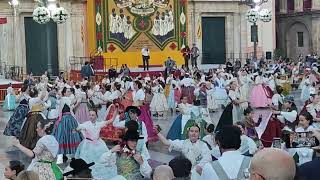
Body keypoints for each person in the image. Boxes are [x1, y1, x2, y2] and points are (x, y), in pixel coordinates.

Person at [75, 109, 116, 179]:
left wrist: (116, 111)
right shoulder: (86, 124)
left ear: (96, 116)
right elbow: (78, 128)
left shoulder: (99, 124)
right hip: (88, 145)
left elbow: (111, 120)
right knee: (87, 161)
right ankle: (87, 173)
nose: (90, 116)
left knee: (101, 159)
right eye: (90, 115)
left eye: (92, 115)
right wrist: (77, 129)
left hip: (98, 144)